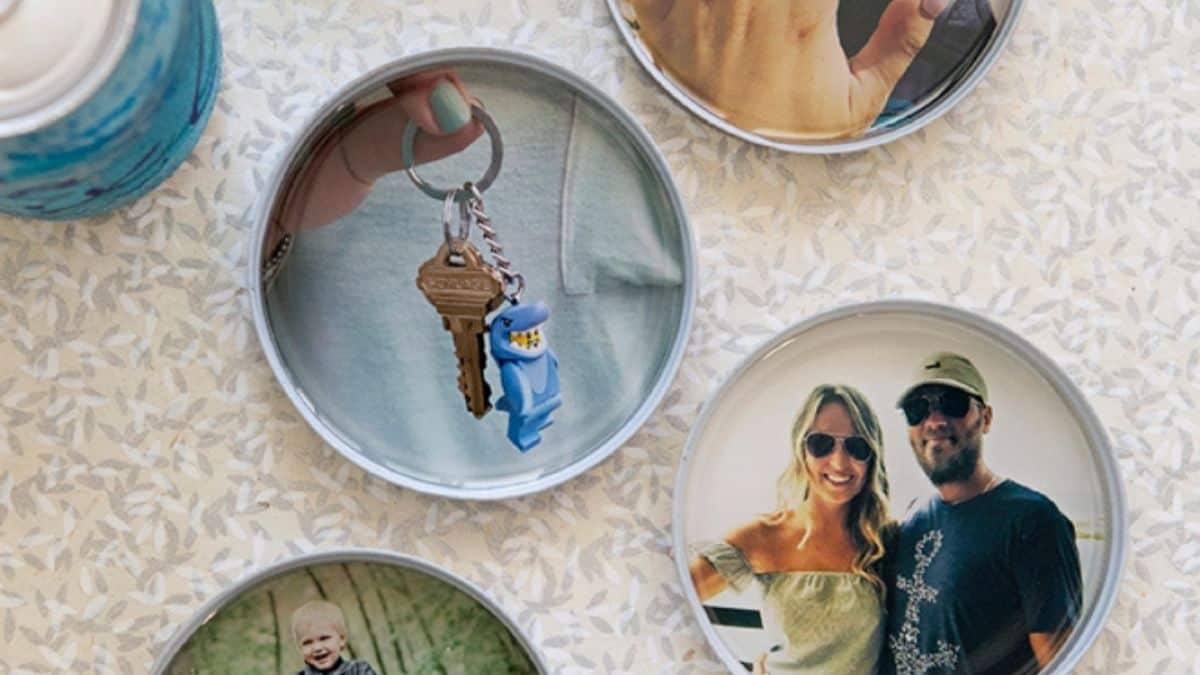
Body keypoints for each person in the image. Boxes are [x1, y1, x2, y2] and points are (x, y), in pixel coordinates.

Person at [882, 353, 1083, 675]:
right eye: (917, 410)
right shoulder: (913, 518)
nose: (934, 422)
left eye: (953, 403)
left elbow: (1061, 665)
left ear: (986, 418)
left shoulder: (1032, 521)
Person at [689, 384, 893, 674]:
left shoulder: (886, 542)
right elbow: (675, 600)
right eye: (821, 444)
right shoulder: (761, 536)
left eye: (856, 446)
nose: (838, 462)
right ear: (801, 449)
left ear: (871, 457)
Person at [290, 600, 378, 675]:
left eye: (324, 638)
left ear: (342, 639)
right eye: (307, 642)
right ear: (300, 648)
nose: (317, 648)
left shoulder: (359, 670)